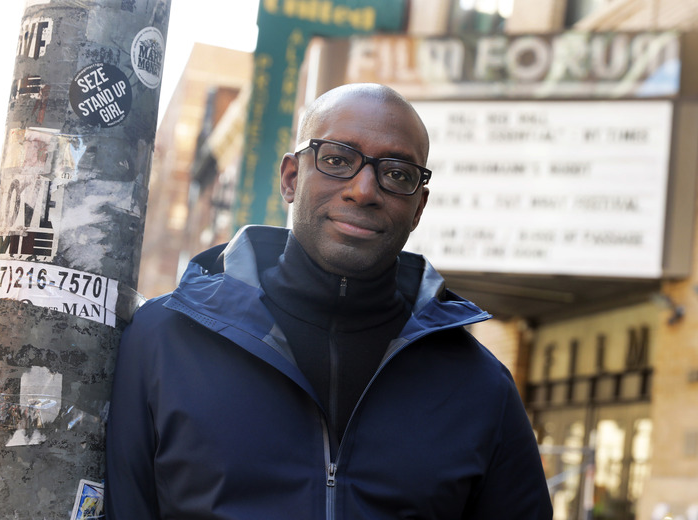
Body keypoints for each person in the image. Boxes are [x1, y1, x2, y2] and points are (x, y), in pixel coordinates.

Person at [105, 83, 553, 519]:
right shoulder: (162, 342)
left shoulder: (481, 387)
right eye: (338, 160)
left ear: (418, 208)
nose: (363, 190)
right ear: (291, 178)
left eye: (397, 173)